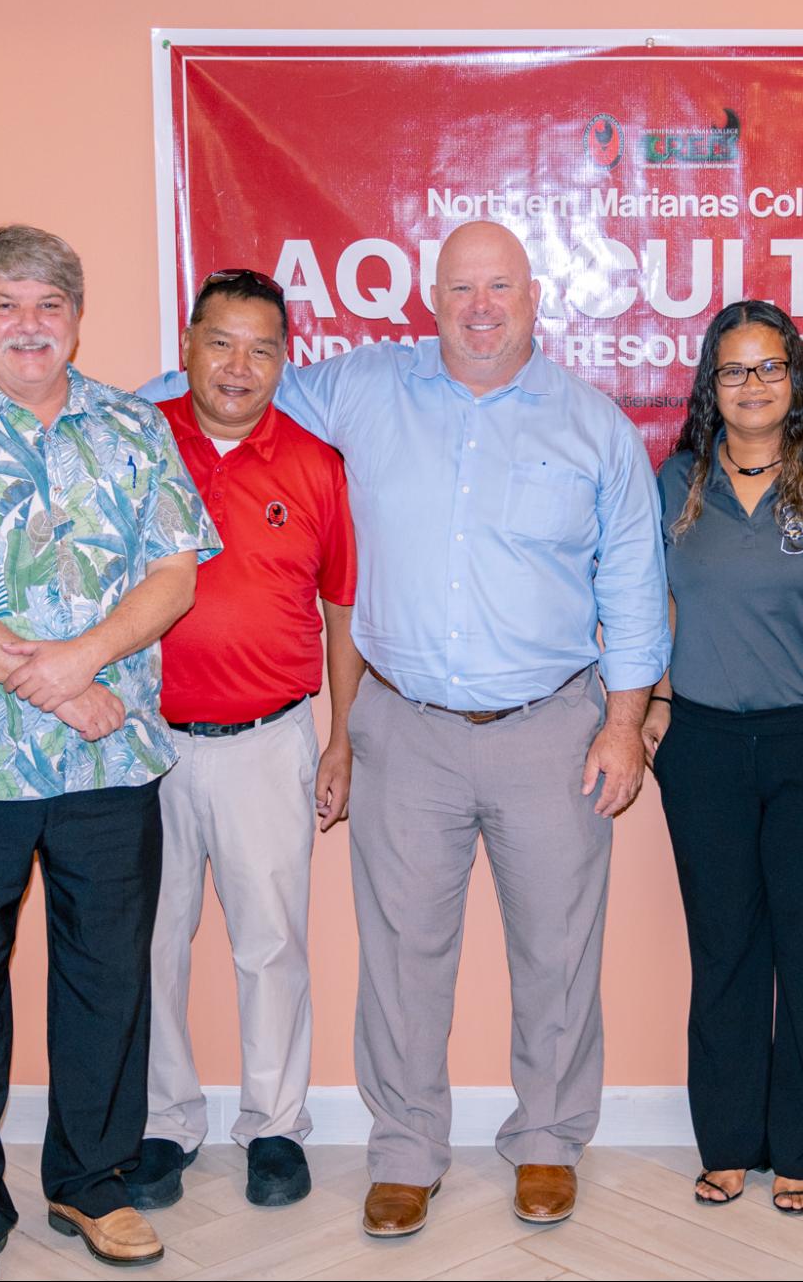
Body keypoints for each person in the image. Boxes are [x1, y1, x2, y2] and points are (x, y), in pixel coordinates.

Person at [275, 220, 668, 1237]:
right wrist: (92, 409)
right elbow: (224, 397)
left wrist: (625, 723)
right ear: (431, 299)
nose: (479, 308)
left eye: (499, 288)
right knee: (402, 951)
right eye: (460, 290)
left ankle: (546, 1138)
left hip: (553, 727)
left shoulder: (592, 427)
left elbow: (633, 586)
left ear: (535, 298)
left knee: (558, 949)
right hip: (402, 728)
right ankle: (406, 1148)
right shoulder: (361, 387)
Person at [0, 225, 221, 1281]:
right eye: (6, 306)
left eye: (49, 305)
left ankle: (93, 1180)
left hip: (111, 767)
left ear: (76, 317)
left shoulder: (132, 425)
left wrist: (83, 661)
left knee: (107, 976)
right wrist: (51, 682)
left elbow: (176, 575)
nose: (29, 325)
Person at [643, 299, 803, 1216]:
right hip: (702, 744)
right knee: (722, 950)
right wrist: (654, 704)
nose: (751, 385)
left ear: (795, 380)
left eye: (769, 367)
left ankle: (800, 1147)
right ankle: (726, 1141)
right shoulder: (673, 483)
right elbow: (657, 612)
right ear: (709, 388)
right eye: (732, 370)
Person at [120, 268, 360, 1212]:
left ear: (283, 359)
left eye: (263, 348)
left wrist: (341, 739)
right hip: (144, 744)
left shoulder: (314, 462)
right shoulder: (138, 446)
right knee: (150, 942)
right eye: (222, 342)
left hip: (270, 739)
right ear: (187, 344)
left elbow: (342, 606)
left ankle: (273, 1126)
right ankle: (163, 1122)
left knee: (272, 944)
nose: (239, 366)